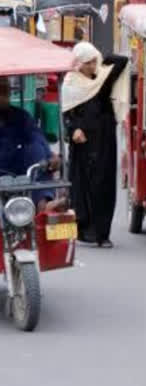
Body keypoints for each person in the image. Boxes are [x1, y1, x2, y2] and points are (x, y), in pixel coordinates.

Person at [62, 42, 128, 247]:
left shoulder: (101, 81)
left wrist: (100, 58)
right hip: (82, 145)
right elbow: (66, 114)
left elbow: (121, 61)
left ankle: (102, 234)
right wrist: (74, 130)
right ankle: (83, 229)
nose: (92, 66)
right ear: (78, 63)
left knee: (104, 185)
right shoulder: (70, 84)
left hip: (104, 141)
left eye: (94, 61)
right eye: (88, 62)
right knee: (82, 187)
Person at [0, 77, 64, 212]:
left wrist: (50, 156)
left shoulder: (19, 116)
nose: (5, 95)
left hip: (19, 169)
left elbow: (36, 137)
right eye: (1, 90)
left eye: (6, 90)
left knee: (37, 152)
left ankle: (44, 204)